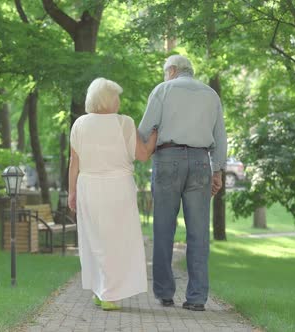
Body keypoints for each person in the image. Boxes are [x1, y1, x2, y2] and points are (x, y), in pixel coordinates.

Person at [138, 55, 227, 311]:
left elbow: (144, 130)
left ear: (173, 70)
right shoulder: (211, 95)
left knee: (164, 229)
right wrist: (218, 171)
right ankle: (197, 298)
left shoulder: (163, 90)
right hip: (201, 163)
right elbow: (220, 137)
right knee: (199, 233)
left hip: (168, 159)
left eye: (166, 72)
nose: (165, 76)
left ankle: (165, 293)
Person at [68, 78, 157, 311]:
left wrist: (72, 192)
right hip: (118, 187)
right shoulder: (125, 123)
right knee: (117, 240)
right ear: (109, 99)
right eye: (116, 96)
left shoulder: (79, 124)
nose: (119, 100)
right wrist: (156, 136)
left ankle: (101, 289)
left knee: (94, 238)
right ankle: (110, 294)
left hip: (88, 185)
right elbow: (143, 155)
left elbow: (74, 163)